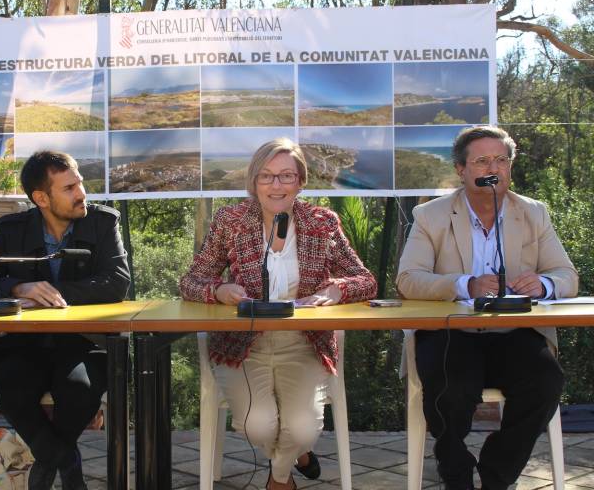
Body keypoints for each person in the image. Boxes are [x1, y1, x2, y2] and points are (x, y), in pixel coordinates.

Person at [180, 138, 377, 490]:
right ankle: (296, 455)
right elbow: (191, 280)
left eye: (286, 176)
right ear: (253, 182)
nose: (276, 185)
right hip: (242, 347)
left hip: (303, 344)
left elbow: (365, 280)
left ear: (300, 182)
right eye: (266, 176)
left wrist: (335, 290)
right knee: (259, 426)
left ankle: (280, 476)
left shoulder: (322, 223)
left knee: (302, 428)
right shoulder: (232, 220)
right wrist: (219, 291)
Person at [396, 126, 578, 490]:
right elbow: (407, 279)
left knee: (546, 382)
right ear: (461, 171)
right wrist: (465, 284)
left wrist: (542, 284)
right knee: (452, 390)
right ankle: (454, 466)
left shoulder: (532, 213)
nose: (493, 168)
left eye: (501, 160)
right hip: (451, 332)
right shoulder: (431, 215)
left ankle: (496, 475)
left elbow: (567, 276)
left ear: (510, 168)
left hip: (514, 334)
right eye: (482, 161)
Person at [0, 151, 130, 490]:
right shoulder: (14, 230)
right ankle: (67, 464)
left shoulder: (102, 222)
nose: (81, 192)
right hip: (26, 343)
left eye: (80, 182)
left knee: (80, 390)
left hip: (83, 342)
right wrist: (18, 286)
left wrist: (51, 293)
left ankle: (46, 468)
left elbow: (117, 281)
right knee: (10, 386)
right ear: (41, 198)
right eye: (69, 188)